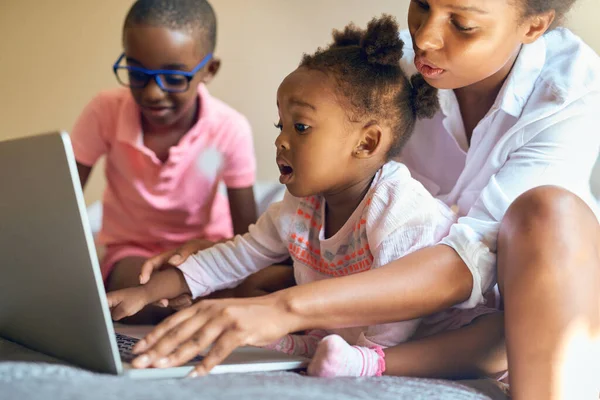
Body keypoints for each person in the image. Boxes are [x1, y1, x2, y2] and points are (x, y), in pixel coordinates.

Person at [125, 1, 600, 398]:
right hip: (385, 279)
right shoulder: (382, 71)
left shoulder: (570, 90)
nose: (426, 38)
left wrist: (285, 308)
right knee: (237, 287)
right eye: (422, 5)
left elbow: (468, 265)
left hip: (507, 303)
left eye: (462, 24)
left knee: (547, 212)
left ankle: (367, 361)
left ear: (533, 26)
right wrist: (219, 266)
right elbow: (326, 201)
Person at [106, 15, 501, 377]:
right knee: (249, 320)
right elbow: (238, 254)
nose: (280, 140)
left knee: (497, 335)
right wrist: (147, 292)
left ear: (366, 142)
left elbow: (397, 310)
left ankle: (363, 361)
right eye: (281, 124)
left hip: (424, 331)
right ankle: (319, 346)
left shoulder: (399, 207)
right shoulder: (300, 205)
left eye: (301, 127)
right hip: (342, 326)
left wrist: (363, 352)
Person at [71, 0, 258, 303]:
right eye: (137, 73)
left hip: (204, 250)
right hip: (132, 252)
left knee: (228, 286)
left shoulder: (229, 128)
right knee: (137, 292)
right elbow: (63, 201)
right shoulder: (105, 111)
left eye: (173, 78)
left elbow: (248, 239)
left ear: (209, 70)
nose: (152, 92)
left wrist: (227, 273)